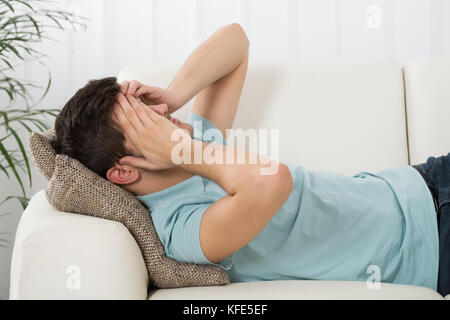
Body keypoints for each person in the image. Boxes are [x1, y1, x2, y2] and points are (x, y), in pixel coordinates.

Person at [51, 23, 447, 296]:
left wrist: (174, 95)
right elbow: (273, 180)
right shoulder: (182, 227)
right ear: (121, 171)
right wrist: (180, 148)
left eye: (145, 105)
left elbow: (235, 40)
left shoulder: (197, 146)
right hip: (432, 245)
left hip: (421, 181)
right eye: (142, 122)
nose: (162, 118)